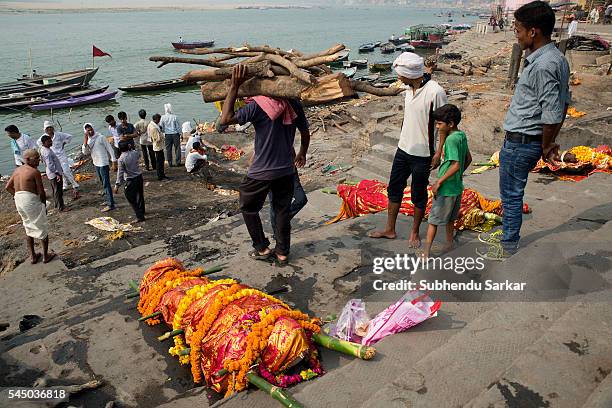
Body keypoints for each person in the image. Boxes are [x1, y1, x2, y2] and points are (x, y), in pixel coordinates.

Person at [481, 1, 570, 260]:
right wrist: (549, 143)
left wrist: (546, 146)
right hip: (528, 140)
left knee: (510, 195)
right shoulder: (556, 59)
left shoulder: (543, 65)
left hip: (521, 143)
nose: (516, 35)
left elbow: (552, 112)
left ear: (533, 32)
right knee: (512, 194)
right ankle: (509, 237)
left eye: (518, 30)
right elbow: (562, 104)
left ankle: (508, 246)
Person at [220, 64, 310, 265]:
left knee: (247, 206)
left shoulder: (258, 105)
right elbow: (305, 132)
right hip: (286, 170)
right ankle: (282, 253)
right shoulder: (293, 104)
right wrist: (303, 152)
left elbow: (225, 119)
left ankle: (261, 247)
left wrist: (234, 85)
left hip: (262, 171)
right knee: (281, 211)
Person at [369, 52, 448, 248]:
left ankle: (414, 232)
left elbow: (444, 124)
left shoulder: (435, 92)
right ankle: (390, 228)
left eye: (400, 74)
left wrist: (439, 152)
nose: (398, 78)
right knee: (394, 189)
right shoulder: (408, 88)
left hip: (423, 154)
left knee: (418, 194)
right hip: (403, 149)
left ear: (410, 74)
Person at [422, 104, 471, 258]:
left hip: (446, 189)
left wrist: (440, 181)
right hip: (456, 187)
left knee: (433, 221)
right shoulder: (461, 136)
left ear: (450, 124)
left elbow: (456, 164)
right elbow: (468, 159)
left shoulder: (450, 140)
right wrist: (458, 175)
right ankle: (449, 244)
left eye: (439, 124)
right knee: (450, 219)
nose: (437, 127)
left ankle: (425, 252)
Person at [5, 149, 55, 264]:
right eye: (36, 158)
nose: (39, 160)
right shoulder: (34, 172)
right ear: (27, 159)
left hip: (19, 200)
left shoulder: (17, 170)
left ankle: (33, 256)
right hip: (30, 201)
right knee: (42, 227)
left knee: (28, 226)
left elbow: (8, 187)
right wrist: (43, 207)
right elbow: (41, 192)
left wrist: (17, 196)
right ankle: (45, 256)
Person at [38, 121, 80, 199]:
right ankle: (65, 185)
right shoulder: (43, 137)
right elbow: (39, 145)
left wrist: (64, 143)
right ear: (45, 129)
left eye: (51, 127)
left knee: (66, 170)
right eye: (47, 128)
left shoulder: (59, 134)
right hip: (52, 157)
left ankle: (75, 184)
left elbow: (69, 137)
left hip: (61, 156)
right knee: (59, 172)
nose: (49, 129)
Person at [82, 123, 118, 212]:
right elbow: (85, 152)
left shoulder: (100, 137)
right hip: (96, 163)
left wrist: (114, 162)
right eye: (88, 130)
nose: (90, 131)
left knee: (106, 184)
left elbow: (110, 149)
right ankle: (108, 200)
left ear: (93, 128)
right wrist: (85, 140)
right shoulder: (89, 140)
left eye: (91, 129)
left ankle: (111, 204)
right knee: (102, 182)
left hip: (103, 163)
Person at [114, 141, 145, 222]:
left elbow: (120, 173)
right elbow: (139, 155)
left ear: (120, 149)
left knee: (131, 199)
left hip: (130, 179)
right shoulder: (134, 153)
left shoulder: (121, 159)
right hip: (139, 177)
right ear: (129, 146)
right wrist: (131, 149)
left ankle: (140, 216)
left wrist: (117, 185)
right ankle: (142, 211)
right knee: (140, 195)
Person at [39, 134, 67, 212]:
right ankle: (61, 207)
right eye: (49, 142)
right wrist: (57, 173)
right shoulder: (47, 153)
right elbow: (50, 165)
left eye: (51, 141)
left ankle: (57, 204)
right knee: (58, 191)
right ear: (44, 143)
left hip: (51, 173)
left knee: (55, 190)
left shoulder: (44, 149)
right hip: (54, 174)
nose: (51, 142)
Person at [148, 113, 169, 181]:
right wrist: (162, 135)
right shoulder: (154, 127)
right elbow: (157, 139)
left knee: (161, 161)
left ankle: (162, 175)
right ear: (156, 119)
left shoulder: (153, 125)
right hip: (157, 147)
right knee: (159, 162)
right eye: (159, 119)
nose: (159, 121)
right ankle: (160, 176)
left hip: (158, 146)